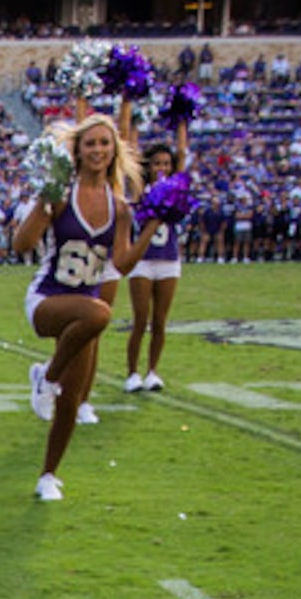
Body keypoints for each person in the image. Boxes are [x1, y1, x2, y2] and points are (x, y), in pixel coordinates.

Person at [12, 114, 159, 503]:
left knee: (70, 402)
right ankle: (46, 376)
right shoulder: (60, 192)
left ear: (115, 151)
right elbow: (21, 244)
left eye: (104, 144)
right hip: (48, 301)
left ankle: (48, 476)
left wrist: (153, 225)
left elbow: (123, 264)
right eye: (90, 143)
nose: (97, 150)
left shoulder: (121, 207)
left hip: (85, 309)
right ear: (77, 149)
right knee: (101, 314)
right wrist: (43, 201)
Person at [120, 110, 190, 394]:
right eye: (157, 163)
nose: (162, 167)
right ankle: (132, 373)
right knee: (140, 319)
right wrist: (134, 123)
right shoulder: (140, 188)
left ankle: (152, 371)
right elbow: (131, 154)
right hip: (143, 261)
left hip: (169, 259)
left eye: (166, 163)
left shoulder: (176, 188)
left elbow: (183, 154)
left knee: (160, 321)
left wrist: (183, 119)